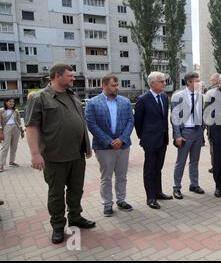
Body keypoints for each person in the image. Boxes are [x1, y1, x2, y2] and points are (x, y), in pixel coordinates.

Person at [25, 63, 95, 244]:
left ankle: (75, 217)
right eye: (69, 75)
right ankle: (57, 226)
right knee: (56, 194)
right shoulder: (39, 98)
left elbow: (80, 121)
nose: (73, 78)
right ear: (56, 76)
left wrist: (86, 146)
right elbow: (31, 127)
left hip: (77, 155)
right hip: (54, 157)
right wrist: (35, 154)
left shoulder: (73, 95)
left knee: (76, 190)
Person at [85, 74, 134, 217]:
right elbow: (91, 124)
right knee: (106, 177)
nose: (117, 88)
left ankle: (121, 200)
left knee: (122, 175)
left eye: (117, 85)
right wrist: (109, 141)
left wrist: (122, 139)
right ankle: (107, 204)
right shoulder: (93, 103)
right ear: (104, 86)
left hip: (123, 146)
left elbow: (131, 121)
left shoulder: (125, 102)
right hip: (103, 147)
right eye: (114, 85)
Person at [134, 72, 172, 210]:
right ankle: (150, 197)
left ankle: (158, 192)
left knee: (158, 167)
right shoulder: (143, 99)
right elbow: (137, 122)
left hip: (162, 139)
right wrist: (144, 137)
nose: (164, 83)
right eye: (161, 81)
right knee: (150, 169)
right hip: (150, 140)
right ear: (152, 83)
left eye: (164, 81)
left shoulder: (164, 97)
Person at [171, 72, 205, 200]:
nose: (199, 83)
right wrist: (177, 135)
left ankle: (194, 184)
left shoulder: (200, 96)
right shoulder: (178, 96)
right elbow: (174, 118)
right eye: (197, 81)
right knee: (181, 162)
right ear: (189, 82)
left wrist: (202, 128)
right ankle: (177, 187)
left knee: (194, 161)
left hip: (197, 132)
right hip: (185, 132)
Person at [0, 98, 24, 172]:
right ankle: (1, 164)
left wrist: (21, 130)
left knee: (14, 146)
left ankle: (12, 161)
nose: (12, 103)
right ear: (6, 102)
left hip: (15, 129)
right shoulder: (1, 110)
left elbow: (19, 120)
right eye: (10, 101)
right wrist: (0, 132)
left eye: (13, 102)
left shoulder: (15, 110)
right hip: (6, 128)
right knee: (5, 147)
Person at [205, 73, 220, 174]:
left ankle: (215, 166)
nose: (211, 82)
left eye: (212, 80)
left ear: (216, 80)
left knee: (213, 148)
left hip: (213, 124)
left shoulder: (210, 91)